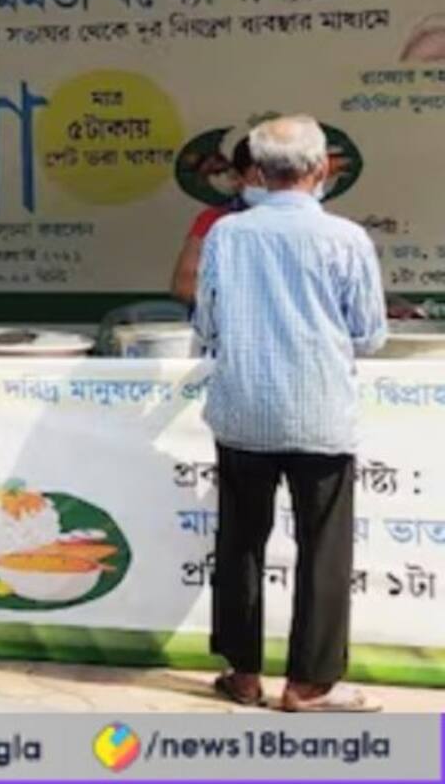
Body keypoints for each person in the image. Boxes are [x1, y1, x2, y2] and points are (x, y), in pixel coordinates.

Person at [194, 115, 387, 713]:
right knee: (324, 547)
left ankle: (243, 674)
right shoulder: (347, 238)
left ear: (257, 170)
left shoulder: (227, 235)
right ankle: (309, 685)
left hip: (244, 410)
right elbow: (371, 333)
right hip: (320, 412)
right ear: (320, 169)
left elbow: (205, 324)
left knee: (241, 541)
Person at [172, 137, 261, 303]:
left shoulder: (310, 225)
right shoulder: (214, 221)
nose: (269, 186)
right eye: (258, 179)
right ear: (237, 179)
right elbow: (184, 284)